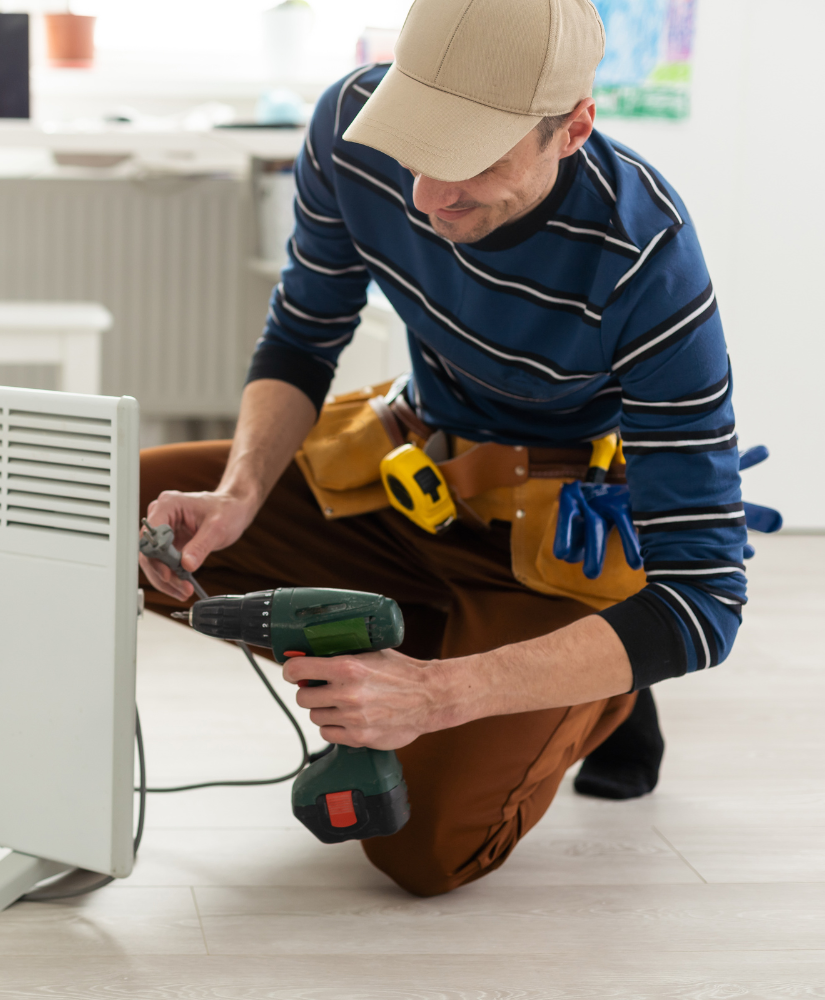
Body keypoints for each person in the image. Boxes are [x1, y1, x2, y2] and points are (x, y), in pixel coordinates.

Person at [139, 0, 747, 897]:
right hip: (401, 480)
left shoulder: (644, 256)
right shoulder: (350, 129)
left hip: (548, 552)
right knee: (101, 505)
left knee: (419, 851)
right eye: (417, 142)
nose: (424, 196)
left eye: (470, 158)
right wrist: (237, 493)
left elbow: (705, 604)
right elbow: (303, 337)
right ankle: (438, 643)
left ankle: (598, 684)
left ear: (572, 127)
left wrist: (438, 697)